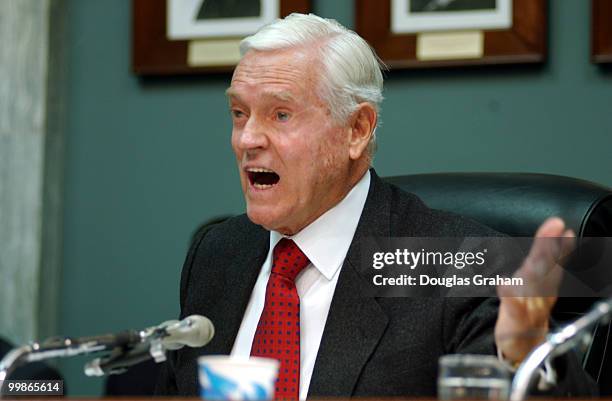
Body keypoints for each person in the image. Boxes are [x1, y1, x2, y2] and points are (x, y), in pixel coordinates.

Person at [156, 13, 594, 399]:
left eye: (280, 115)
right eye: (238, 113)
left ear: (357, 130)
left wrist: (525, 353)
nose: (248, 138)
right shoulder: (218, 253)